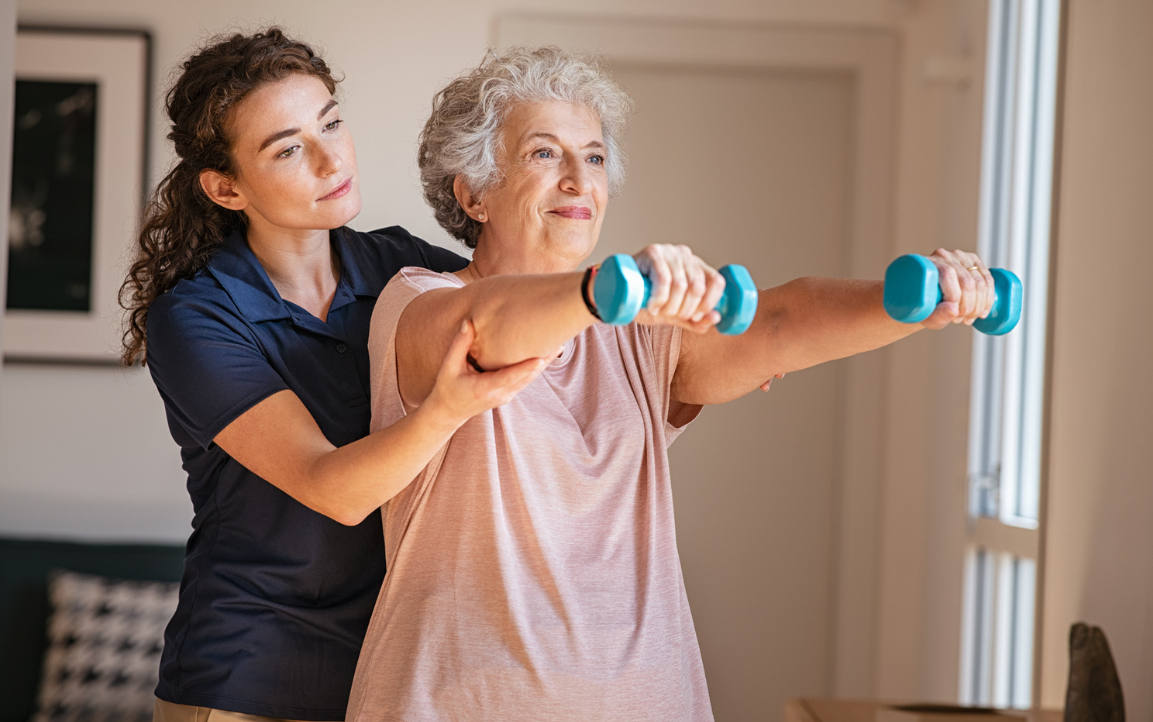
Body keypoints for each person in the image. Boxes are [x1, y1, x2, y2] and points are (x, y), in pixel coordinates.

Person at [345, 47, 998, 721]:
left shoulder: (638, 332)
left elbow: (775, 321)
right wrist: (610, 291)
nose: (577, 179)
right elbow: (485, 331)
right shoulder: (417, 300)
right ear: (471, 191)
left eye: (593, 158)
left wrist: (913, 302)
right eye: (544, 154)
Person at [119, 29, 547, 722]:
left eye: (331, 123)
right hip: (248, 677)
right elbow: (333, 489)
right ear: (226, 187)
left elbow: (516, 312)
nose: (330, 158)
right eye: (288, 149)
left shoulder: (401, 270)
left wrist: (669, 370)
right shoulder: (196, 318)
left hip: (389, 668)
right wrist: (446, 408)